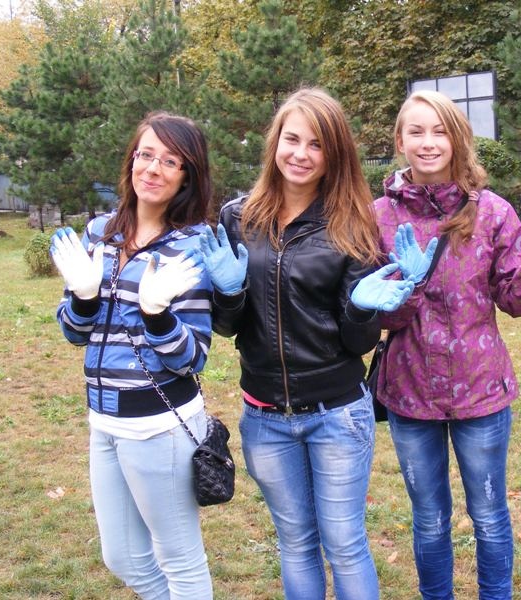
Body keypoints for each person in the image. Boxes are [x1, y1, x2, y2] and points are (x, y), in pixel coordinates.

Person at [370, 90, 521, 600]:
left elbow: (514, 298)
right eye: (416, 131)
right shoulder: (376, 215)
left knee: (488, 514)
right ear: (400, 141)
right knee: (428, 518)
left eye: (440, 131)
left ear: (458, 139)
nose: (428, 142)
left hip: (480, 389)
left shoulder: (492, 212)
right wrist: (407, 289)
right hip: (410, 390)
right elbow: (377, 315)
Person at [199, 88, 410, 600]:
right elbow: (227, 327)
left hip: (336, 413)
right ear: (275, 142)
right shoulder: (237, 218)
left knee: (344, 543)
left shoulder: (351, 223)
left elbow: (358, 342)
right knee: (294, 543)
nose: (301, 154)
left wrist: (362, 308)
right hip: (265, 416)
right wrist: (228, 292)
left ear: (333, 155)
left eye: (316, 145)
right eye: (292, 139)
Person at [51, 111, 215, 600]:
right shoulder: (100, 232)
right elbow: (74, 333)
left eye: (170, 161)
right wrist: (83, 299)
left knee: (180, 560)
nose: (153, 169)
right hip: (103, 419)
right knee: (121, 556)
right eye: (146, 154)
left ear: (187, 176)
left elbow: (193, 358)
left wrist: (157, 315)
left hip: (159, 425)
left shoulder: (191, 247)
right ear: (131, 161)